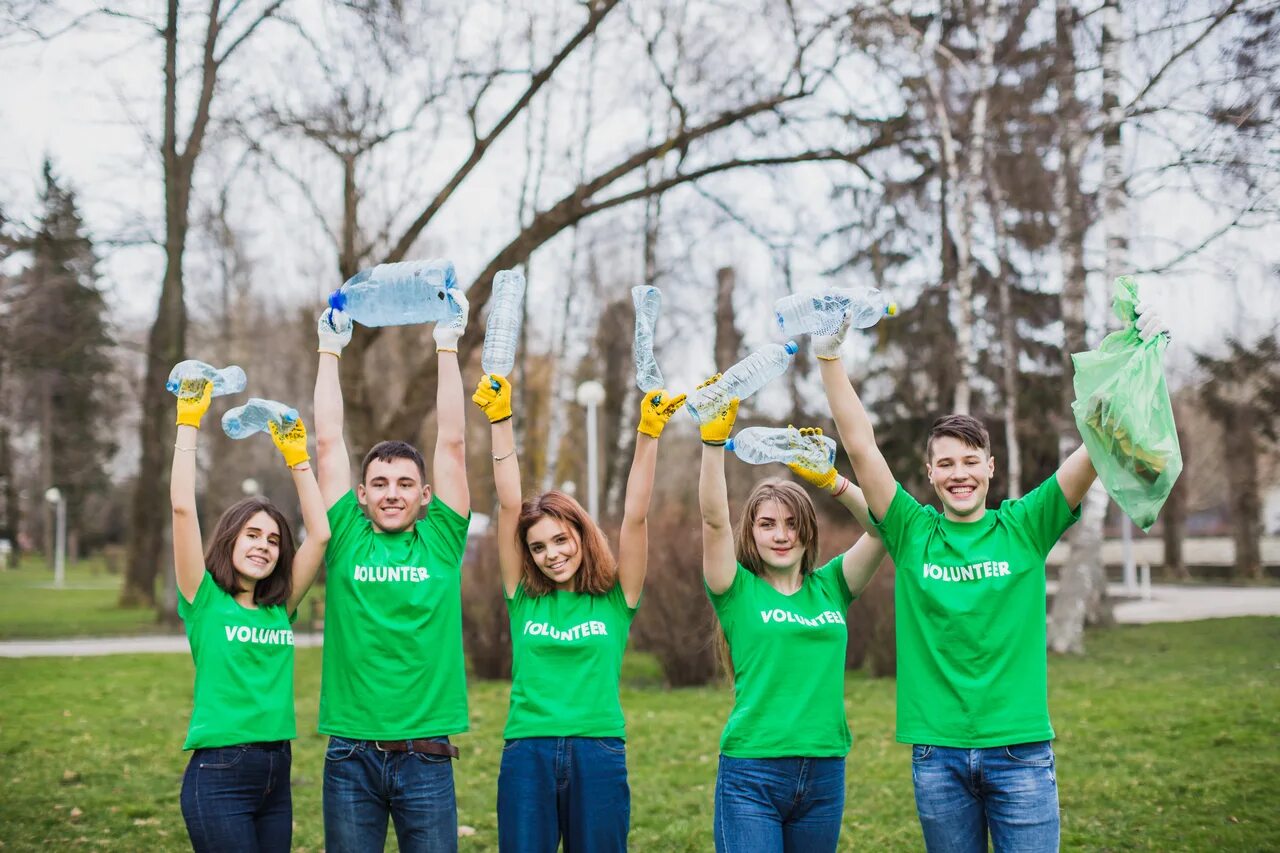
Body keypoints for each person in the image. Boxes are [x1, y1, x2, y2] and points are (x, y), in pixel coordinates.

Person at [812, 301, 1169, 852]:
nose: (960, 473)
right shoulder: (910, 532)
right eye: (947, 464)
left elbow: (1095, 442)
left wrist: (1136, 355)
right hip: (938, 756)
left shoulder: (1026, 525)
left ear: (990, 467)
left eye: (971, 460)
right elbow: (861, 445)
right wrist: (829, 356)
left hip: (1020, 752)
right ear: (930, 474)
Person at [472, 374, 685, 852]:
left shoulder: (616, 597)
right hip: (528, 752)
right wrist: (501, 422)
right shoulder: (522, 596)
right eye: (539, 547)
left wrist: (648, 436)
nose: (552, 554)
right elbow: (509, 504)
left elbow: (635, 517)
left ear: (581, 536)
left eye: (561, 540)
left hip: (599, 751)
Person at [696, 385, 888, 853]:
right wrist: (712, 446)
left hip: (824, 772)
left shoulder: (832, 586)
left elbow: (887, 525)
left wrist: (832, 482)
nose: (781, 535)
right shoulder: (734, 588)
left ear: (808, 530)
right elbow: (715, 522)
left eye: (792, 523)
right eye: (767, 524)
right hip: (752, 773)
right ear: (752, 532)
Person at [312, 292, 472, 852]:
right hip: (350, 752)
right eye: (379, 483)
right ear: (361, 494)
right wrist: (329, 351)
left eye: (405, 483)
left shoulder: (443, 541)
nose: (392, 493)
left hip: (425, 754)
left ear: (426, 494)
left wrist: (447, 344)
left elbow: (451, 441)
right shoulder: (346, 538)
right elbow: (328, 441)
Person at [170, 379, 328, 853]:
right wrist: (188, 421)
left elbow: (319, 535)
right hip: (219, 774)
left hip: (276, 772)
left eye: (273, 540)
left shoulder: (280, 608)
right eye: (252, 535)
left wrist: (297, 456)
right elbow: (181, 508)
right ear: (231, 540)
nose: (263, 545)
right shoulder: (203, 598)